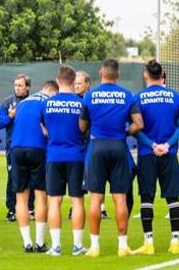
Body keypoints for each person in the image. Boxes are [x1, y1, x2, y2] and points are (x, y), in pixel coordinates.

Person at [80, 59, 143, 258]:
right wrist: (126, 132)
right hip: (118, 146)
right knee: (120, 198)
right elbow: (139, 124)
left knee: (96, 198)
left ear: (101, 73)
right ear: (117, 74)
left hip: (97, 146)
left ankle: (94, 247)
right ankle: (122, 246)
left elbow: (82, 126)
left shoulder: (90, 96)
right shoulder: (127, 95)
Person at [132, 60, 179, 255]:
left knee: (146, 197)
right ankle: (175, 242)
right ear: (162, 74)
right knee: (173, 198)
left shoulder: (137, 98)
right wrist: (167, 145)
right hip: (169, 153)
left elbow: (135, 129)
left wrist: (152, 145)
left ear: (146, 75)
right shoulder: (175, 97)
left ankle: (149, 243)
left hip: (147, 154)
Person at [42, 66, 88, 256]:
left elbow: (44, 128)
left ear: (57, 80)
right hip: (76, 155)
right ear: (73, 80)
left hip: (54, 155)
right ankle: (77, 246)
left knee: (54, 201)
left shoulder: (47, 104)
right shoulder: (81, 103)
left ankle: (56, 246)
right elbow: (84, 128)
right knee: (77, 200)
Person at [11, 80, 59, 253]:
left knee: (20, 199)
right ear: (53, 92)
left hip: (16, 148)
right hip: (37, 148)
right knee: (40, 196)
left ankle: (27, 243)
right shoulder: (48, 102)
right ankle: (39, 242)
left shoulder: (23, 102)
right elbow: (49, 129)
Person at [0, 74, 34, 222]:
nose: (17, 88)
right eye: (16, 85)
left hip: (31, 145)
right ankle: (12, 209)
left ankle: (29, 208)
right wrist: (10, 117)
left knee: (32, 178)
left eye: (20, 85)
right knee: (14, 178)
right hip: (12, 146)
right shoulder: (8, 102)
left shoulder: (33, 102)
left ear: (28, 87)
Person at [72, 71, 109, 221]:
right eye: (75, 83)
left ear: (88, 84)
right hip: (76, 144)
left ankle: (102, 208)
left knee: (98, 175)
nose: (76, 86)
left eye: (79, 83)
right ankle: (73, 208)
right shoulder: (73, 100)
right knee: (75, 176)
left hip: (92, 142)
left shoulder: (93, 98)